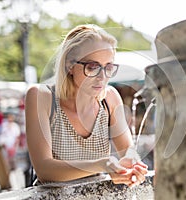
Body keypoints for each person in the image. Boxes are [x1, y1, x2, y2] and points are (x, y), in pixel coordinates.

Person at [25, 24, 148, 187]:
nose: (102, 77)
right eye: (92, 67)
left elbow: (128, 150)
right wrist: (102, 164)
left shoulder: (109, 98)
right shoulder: (41, 97)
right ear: (70, 65)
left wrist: (132, 164)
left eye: (109, 67)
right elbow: (44, 170)